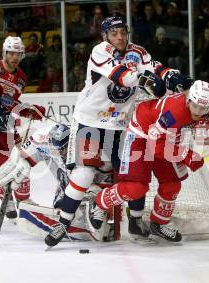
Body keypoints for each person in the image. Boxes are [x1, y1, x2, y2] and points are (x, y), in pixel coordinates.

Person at [44, 16, 192, 247]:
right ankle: (63, 223)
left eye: (122, 32)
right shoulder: (100, 52)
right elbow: (122, 77)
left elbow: (156, 67)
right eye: (114, 33)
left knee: (134, 175)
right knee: (84, 173)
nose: (120, 37)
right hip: (90, 121)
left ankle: (135, 221)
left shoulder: (138, 52)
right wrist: (147, 80)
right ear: (106, 36)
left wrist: (171, 76)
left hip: (122, 125)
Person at [88, 80, 209, 242]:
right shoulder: (175, 112)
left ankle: (158, 224)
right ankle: (100, 202)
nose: (198, 112)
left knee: (172, 184)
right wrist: (186, 155)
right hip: (141, 134)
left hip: (167, 137)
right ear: (188, 100)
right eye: (195, 107)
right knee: (136, 187)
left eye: (203, 109)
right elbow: (155, 143)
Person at [0, 36, 46, 220]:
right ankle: (7, 201)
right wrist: (24, 109)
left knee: (22, 158)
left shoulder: (22, 78)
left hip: (6, 122)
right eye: (11, 53)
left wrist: (28, 111)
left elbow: (13, 103)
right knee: (0, 161)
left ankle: (23, 200)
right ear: (4, 53)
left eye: (18, 53)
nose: (14, 57)